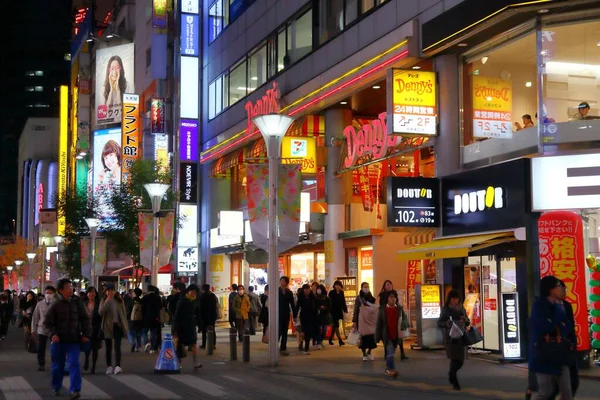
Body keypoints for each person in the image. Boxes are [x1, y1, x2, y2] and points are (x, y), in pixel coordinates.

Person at [43, 279, 91, 399]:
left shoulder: (77, 302)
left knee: (74, 364)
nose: (70, 289)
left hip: (74, 340)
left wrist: (86, 334)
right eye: (67, 287)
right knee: (57, 366)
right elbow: (46, 324)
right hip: (58, 341)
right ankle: (56, 386)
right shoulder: (55, 304)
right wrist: (52, 334)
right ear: (60, 290)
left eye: (71, 287)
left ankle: (75, 390)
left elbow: (85, 319)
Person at [529, 276, 574, 400]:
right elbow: (546, 327)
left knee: (567, 392)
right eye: (559, 286)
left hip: (560, 353)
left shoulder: (560, 305)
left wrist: (557, 326)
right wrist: (558, 325)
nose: (562, 289)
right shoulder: (538, 306)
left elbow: (567, 327)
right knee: (545, 392)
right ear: (551, 289)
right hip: (543, 354)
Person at [437, 290, 470, 391]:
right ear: (449, 299)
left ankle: (452, 374)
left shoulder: (461, 308)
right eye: (453, 299)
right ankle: (454, 380)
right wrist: (447, 323)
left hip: (461, 336)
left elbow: (468, 321)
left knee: (460, 360)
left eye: (457, 299)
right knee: (455, 358)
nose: (455, 301)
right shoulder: (446, 309)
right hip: (451, 337)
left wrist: (465, 320)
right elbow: (439, 322)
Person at [99, 285, 128, 375]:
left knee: (117, 346)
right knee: (108, 347)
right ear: (106, 292)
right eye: (108, 291)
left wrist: (125, 325)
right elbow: (100, 312)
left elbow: (123, 314)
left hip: (117, 326)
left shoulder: (119, 300)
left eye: (112, 290)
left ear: (115, 291)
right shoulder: (104, 300)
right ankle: (109, 366)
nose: (110, 292)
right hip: (108, 326)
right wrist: (107, 300)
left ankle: (118, 366)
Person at [173, 284, 202, 370]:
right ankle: (179, 363)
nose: (193, 294)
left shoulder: (196, 301)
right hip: (181, 326)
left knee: (193, 343)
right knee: (180, 344)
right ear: (188, 291)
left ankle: (196, 362)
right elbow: (177, 315)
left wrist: (199, 324)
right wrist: (175, 327)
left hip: (191, 325)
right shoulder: (182, 300)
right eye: (192, 292)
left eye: (195, 293)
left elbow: (198, 313)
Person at [378, 280, 409, 360]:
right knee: (386, 336)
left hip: (395, 314)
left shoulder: (394, 293)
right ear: (384, 286)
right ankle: (386, 353)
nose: (389, 286)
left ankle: (402, 353)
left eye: (390, 284)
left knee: (399, 335)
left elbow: (397, 303)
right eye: (387, 285)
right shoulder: (382, 295)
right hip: (386, 316)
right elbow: (381, 306)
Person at [375, 292, 403, 378]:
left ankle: (387, 370)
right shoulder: (383, 309)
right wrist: (377, 337)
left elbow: (404, 319)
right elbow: (378, 323)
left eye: (394, 297)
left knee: (391, 353)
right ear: (387, 299)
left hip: (396, 334)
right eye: (391, 297)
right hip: (387, 335)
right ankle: (392, 370)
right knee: (390, 352)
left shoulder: (399, 308)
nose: (393, 299)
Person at [31, 286, 56, 371]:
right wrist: (33, 330)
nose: (48, 294)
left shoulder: (57, 303)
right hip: (41, 329)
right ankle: (41, 364)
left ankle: (55, 363)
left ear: (54, 293)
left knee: (54, 348)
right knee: (41, 347)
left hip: (53, 329)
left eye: (50, 293)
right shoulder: (40, 304)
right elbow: (35, 317)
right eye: (46, 292)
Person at [353, 282, 378, 361]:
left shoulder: (372, 298)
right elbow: (356, 309)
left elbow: (374, 308)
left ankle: (369, 352)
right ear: (361, 288)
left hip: (370, 320)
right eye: (365, 286)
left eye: (367, 286)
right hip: (362, 320)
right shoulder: (359, 298)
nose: (366, 288)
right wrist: (354, 321)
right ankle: (364, 353)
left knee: (372, 337)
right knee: (363, 337)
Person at [83, 287, 102, 374]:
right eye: (89, 292)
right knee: (87, 347)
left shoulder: (99, 303)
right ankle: (87, 359)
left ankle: (93, 366)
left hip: (96, 329)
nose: (91, 294)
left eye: (93, 292)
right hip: (86, 329)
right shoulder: (84, 303)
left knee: (95, 348)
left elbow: (102, 315)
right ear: (87, 294)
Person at [296, 284, 318, 355]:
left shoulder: (312, 296)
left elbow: (316, 305)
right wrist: (295, 315)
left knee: (308, 332)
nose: (307, 290)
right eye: (305, 289)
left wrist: (316, 313)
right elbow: (297, 306)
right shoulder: (300, 297)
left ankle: (306, 347)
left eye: (308, 289)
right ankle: (302, 344)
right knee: (304, 331)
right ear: (303, 290)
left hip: (311, 316)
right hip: (303, 316)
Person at [279, 277, 297, 356]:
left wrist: (294, 315)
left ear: (286, 283)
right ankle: (274, 346)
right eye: (281, 281)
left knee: (285, 332)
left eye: (283, 281)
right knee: (278, 331)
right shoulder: (276, 291)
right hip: (278, 313)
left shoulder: (289, 293)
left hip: (286, 314)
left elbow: (292, 304)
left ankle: (283, 348)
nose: (282, 282)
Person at [142, 285, 163, 353]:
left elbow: (143, 308)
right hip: (155, 317)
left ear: (148, 290)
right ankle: (153, 348)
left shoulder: (145, 297)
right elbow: (160, 307)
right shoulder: (158, 297)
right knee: (153, 333)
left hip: (146, 317)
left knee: (144, 332)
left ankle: (147, 342)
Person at [328, 280, 348, 346]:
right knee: (336, 325)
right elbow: (330, 302)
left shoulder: (341, 293)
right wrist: (329, 311)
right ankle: (340, 340)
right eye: (336, 285)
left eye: (339, 285)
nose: (337, 286)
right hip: (333, 311)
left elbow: (343, 301)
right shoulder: (331, 292)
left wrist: (345, 309)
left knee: (335, 325)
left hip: (339, 310)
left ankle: (330, 339)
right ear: (334, 286)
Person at [314, 284, 331, 349]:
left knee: (324, 330)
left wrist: (324, 308)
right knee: (318, 329)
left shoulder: (327, 298)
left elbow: (329, 307)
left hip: (325, 316)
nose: (318, 290)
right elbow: (313, 306)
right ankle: (318, 342)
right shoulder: (315, 297)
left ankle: (320, 340)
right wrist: (318, 308)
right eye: (317, 289)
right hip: (317, 316)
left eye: (320, 289)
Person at [128, 288, 143, 353]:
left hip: (132, 319)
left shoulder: (131, 301)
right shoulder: (142, 301)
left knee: (131, 332)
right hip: (140, 320)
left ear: (134, 293)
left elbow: (128, 311)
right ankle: (137, 347)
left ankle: (132, 342)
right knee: (139, 333)